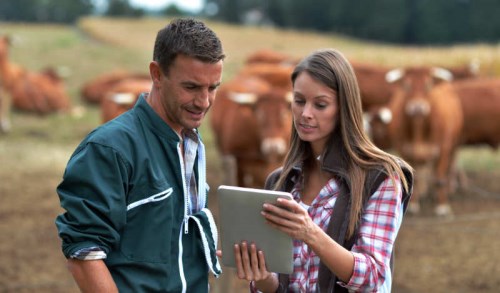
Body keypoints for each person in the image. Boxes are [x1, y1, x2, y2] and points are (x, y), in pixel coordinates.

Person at [55, 18, 225, 292]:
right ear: (157, 74)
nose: (204, 102)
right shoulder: (109, 149)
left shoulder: (191, 141)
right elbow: (84, 255)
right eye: (191, 87)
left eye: (213, 87)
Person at [230, 48, 413, 292]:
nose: (305, 114)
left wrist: (310, 233)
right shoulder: (281, 181)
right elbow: (280, 286)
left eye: (321, 105)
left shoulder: (382, 176)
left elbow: (372, 276)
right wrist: (261, 277)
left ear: (344, 108)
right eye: (299, 101)